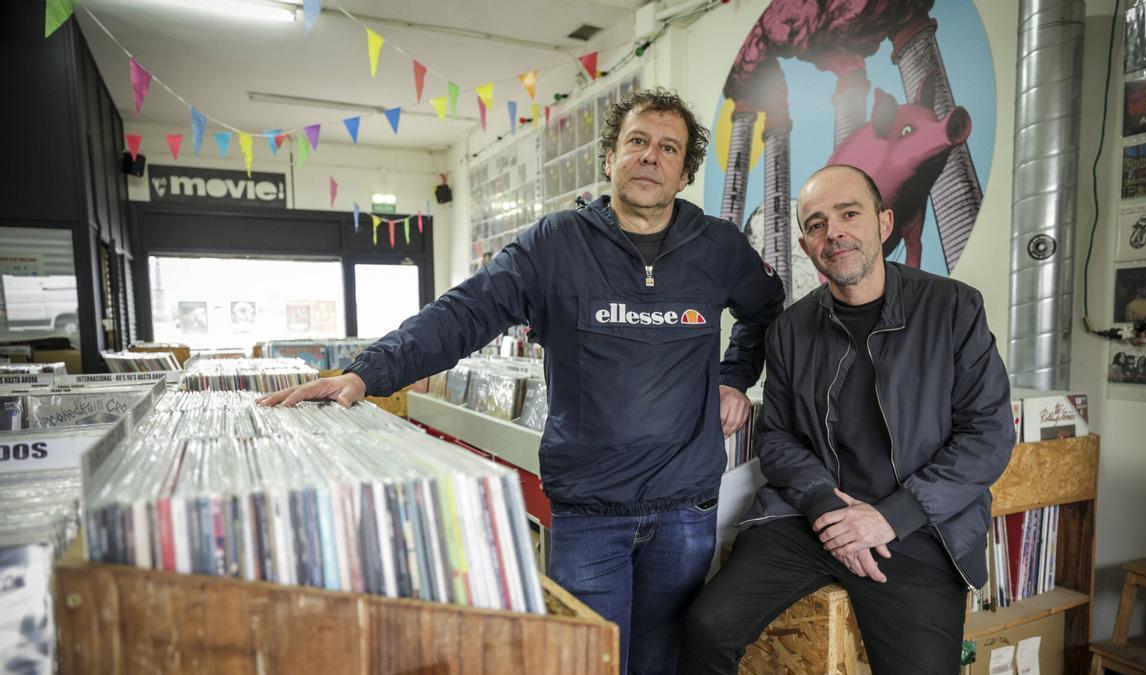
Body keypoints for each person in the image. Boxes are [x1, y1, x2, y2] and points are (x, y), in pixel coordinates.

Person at [260, 88, 784, 675]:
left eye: (668, 149)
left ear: (684, 174)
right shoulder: (555, 244)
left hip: (685, 511)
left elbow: (767, 311)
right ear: (609, 156)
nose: (650, 157)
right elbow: (465, 313)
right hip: (590, 513)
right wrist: (366, 373)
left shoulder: (718, 248)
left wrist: (735, 377)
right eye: (636, 142)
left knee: (661, 661)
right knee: (588, 662)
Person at [680, 165, 1014, 674]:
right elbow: (779, 437)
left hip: (920, 528)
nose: (833, 231)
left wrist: (888, 518)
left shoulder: (952, 308)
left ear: (883, 224)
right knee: (704, 628)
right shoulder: (790, 329)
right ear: (806, 244)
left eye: (848, 214)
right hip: (807, 519)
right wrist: (825, 508)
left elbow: (988, 435)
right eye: (816, 224)